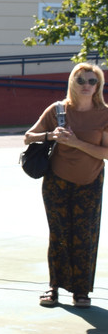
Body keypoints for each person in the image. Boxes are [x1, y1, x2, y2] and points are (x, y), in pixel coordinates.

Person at [24, 62, 108, 308]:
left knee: (85, 236)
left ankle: (81, 291)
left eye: (92, 81)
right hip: (56, 182)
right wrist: (51, 135)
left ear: (98, 86)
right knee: (58, 234)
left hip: (90, 182)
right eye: (81, 80)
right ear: (72, 82)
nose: (86, 85)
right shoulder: (57, 110)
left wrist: (76, 143)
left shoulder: (104, 114)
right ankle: (54, 287)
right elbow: (28, 136)